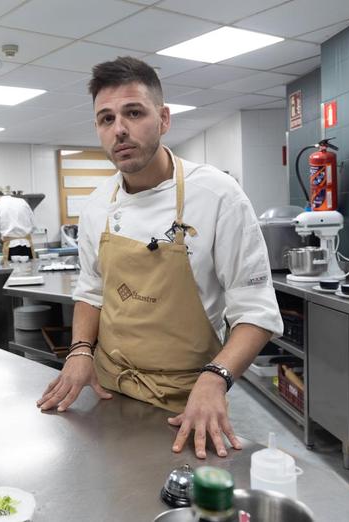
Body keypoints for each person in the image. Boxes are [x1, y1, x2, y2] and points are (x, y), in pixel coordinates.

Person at [36, 57, 283, 460]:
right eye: (106, 118)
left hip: (188, 400)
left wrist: (217, 377)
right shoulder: (98, 204)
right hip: (109, 388)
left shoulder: (218, 195)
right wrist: (81, 350)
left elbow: (256, 311)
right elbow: (91, 290)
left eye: (134, 113)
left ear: (164, 119)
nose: (120, 129)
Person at [0, 191, 37, 260]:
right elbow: (34, 224)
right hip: (27, 245)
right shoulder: (22, 201)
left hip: (11, 247)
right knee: (29, 268)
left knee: (14, 269)